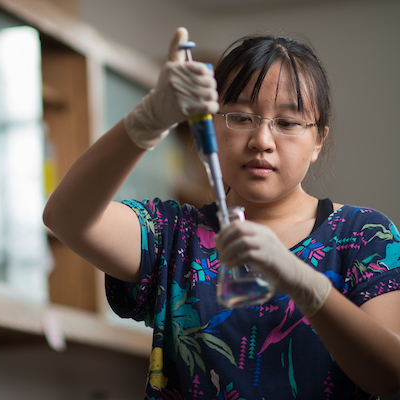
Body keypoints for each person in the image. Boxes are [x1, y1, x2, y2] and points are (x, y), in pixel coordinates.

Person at [43, 27, 400, 399]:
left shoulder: (365, 235)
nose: (262, 141)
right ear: (211, 125)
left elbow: (390, 376)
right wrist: (149, 117)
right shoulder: (174, 236)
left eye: (288, 123)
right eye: (241, 117)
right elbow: (66, 217)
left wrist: (302, 281)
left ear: (318, 140)